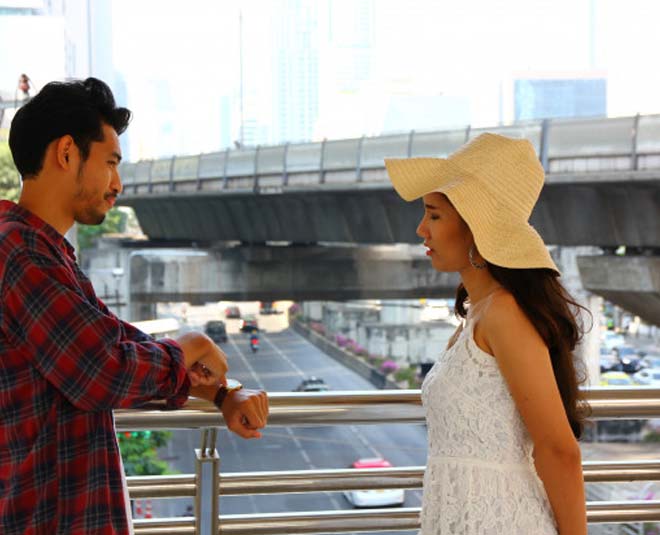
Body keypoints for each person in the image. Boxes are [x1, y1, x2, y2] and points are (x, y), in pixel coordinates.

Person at [1, 78, 269, 535]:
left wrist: (220, 395)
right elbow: (103, 370)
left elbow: (115, 345)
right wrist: (190, 344)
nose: (118, 184)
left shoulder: (43, 252)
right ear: (66, 153)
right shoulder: (21, 254)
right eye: (110, 162)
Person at [385, 133, 588, 535]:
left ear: (477, 228)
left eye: (434, 216)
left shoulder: (505, 314)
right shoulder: (478, 315)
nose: (421, 229)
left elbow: (558, 449)